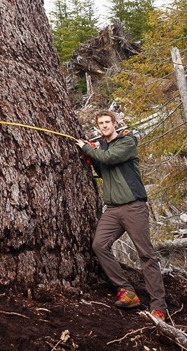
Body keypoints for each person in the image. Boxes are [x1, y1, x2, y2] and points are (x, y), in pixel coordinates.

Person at [75, 109, 167, 320]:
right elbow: (103, 167)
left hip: (134, 207)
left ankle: (159, 306)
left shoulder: (127, 142)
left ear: (114, 123)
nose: (105, 126)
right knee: (99, 245)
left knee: (146, 254)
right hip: (113, 210)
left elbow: (110, 158)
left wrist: (88, 148)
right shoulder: (103, 147)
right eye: (101, 123)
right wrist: (91, 158)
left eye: (108, 122)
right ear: (98, 126)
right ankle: (126, 291)